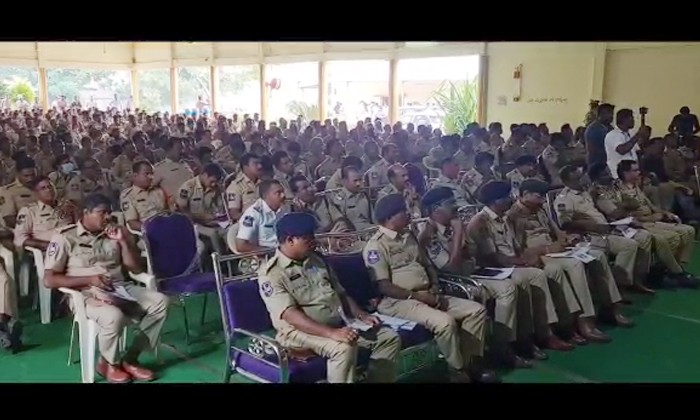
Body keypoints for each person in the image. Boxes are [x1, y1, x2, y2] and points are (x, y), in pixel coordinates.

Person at [362, 194, 497, 383]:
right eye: (404, 211)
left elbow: (427, 265)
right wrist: (418, 296)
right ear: (389, 217)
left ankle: (469, 363)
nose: (409, 214)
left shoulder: (408, 236)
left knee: (476, 311)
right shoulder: (376, 245)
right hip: (400, 301)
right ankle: (457, 372)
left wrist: (434, 286)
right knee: (445, 322)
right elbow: (384, 286)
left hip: (428, 293)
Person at [258, 212, 401, 383]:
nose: (314, 241)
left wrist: (362, 315)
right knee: (343, 348)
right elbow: (291, 316)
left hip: (338, 324)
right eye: (308, 238)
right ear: (290, 240)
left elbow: (340, 293)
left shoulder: (317, 260)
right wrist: (331, 333)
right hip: (298, 333)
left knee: (388, 337)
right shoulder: (272, 274)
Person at [44, 194, 169, 383]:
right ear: (86, 213)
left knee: (161, 302)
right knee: (113, 316)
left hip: (119, 287)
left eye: (109, 212)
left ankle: (131, 358)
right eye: (102, 213)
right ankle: (109, 364)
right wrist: (90, 279)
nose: (108, 217)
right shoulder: (64, 237)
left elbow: (135, 268)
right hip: (85, 293)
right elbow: (49, 279)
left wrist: (123, 242)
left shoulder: (116, 232)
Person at [416, 187, 531, 369]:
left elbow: (472, 252)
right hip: (452, 283)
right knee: (504, 289)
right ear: (436, 209)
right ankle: (481, 356)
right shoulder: (428, 235)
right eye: (450, 203)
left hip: (472, 273)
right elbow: (451, 269)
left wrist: (461, 240)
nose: (456, 207)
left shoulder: (453, 225)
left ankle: (504, 344)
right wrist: (458, 234)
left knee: (510, 286)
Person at [555, 165, 654, 294]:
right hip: (589, 234)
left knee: (641, 237)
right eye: (579, 177)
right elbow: (565, 223)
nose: (584, 178)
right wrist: (588, 225)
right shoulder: (564, 198)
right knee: (629, 246)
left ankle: (632, 281)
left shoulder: (588, 192)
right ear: (568, 182)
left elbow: (612, 211)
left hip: (607, 228)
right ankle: (618, 287)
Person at [231, 179, 287, 253]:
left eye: (283, 192)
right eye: (278, 193)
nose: (283, 195)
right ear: (265, 196)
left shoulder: (284, 209)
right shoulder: (253, 213)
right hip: (265, 257)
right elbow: (241, 246)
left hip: (284, 251)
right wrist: (273, 252)